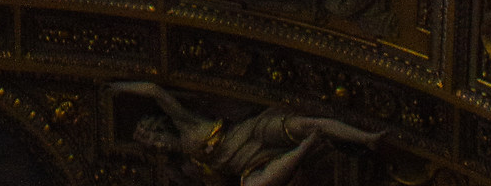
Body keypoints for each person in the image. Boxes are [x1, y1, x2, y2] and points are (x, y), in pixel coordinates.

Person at [116, 82, 382, 186]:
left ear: (160, 128)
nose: (158, 146)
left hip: (253, 135)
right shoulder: (187, 165)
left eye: (154, 138)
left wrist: (117, 87)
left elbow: (155, 92)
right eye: (152, 146)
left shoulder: (185, 124)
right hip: (250, 165)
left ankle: (365, 138)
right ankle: (308, 147)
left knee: (308, 124)